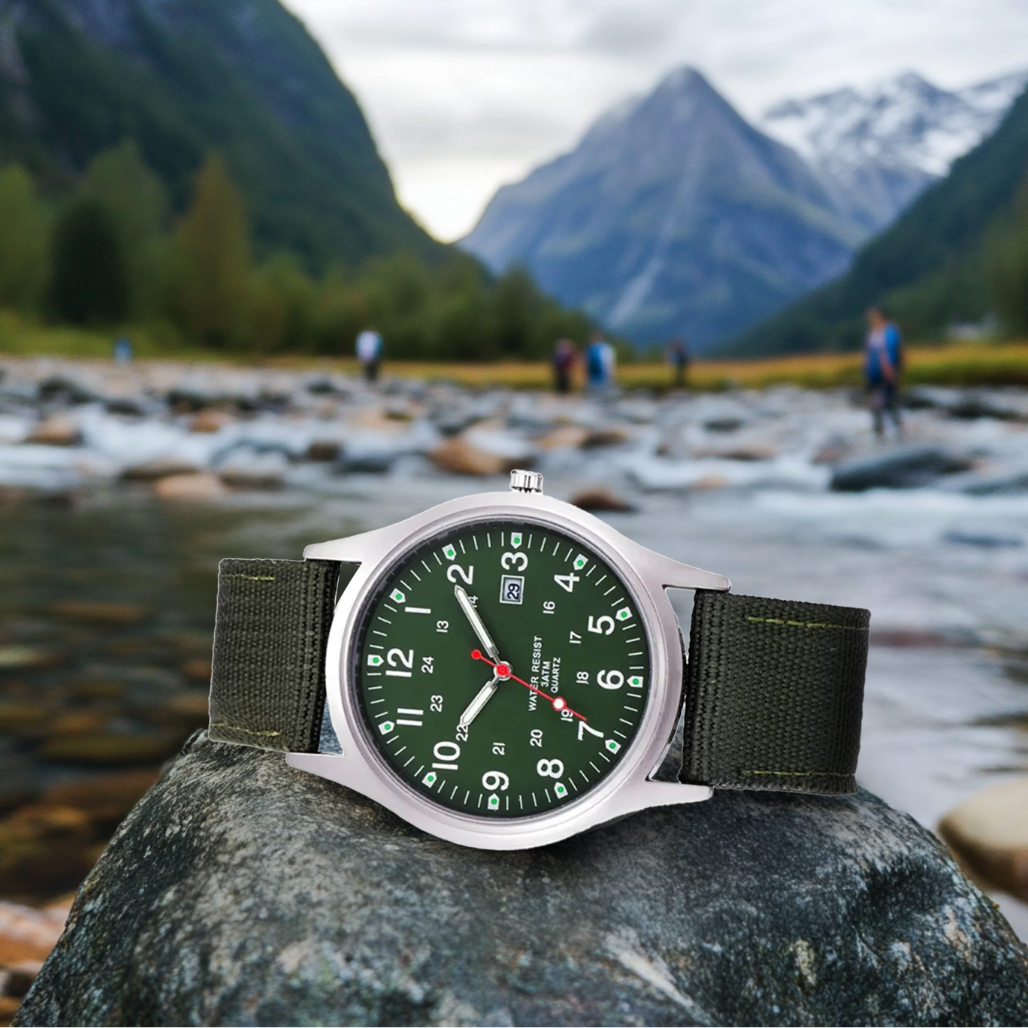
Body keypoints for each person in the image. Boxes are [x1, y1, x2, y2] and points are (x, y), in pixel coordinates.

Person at [864, 307, 903, 440]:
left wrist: (894, 369)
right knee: (876, 401)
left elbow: (895, 350)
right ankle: (879, 431)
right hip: (874, 372)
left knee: (889, 400)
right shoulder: (873, 332)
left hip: (887, 371)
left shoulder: (891, 331)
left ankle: (897, 428)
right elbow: (868, 352)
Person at [585, 332, 615, 398]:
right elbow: (586, 362)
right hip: (592, 375)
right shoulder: (590, 349)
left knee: (602, 392)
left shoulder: (605, 349)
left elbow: (608, 362)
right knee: (594, 392)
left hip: (602, 374)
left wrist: (610, 373)